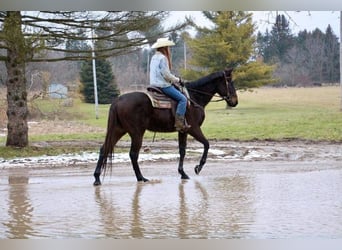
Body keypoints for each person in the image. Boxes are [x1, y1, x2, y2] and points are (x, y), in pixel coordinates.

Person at [149, 37, 191, 132]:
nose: (168, 49)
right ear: (164, 48)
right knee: (183, 99)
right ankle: (179, 123)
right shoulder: (163, 58)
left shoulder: (154, 57)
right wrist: (178, 80)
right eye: (167, 47)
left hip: (153, 84)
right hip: (163, 85)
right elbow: (166, 75)